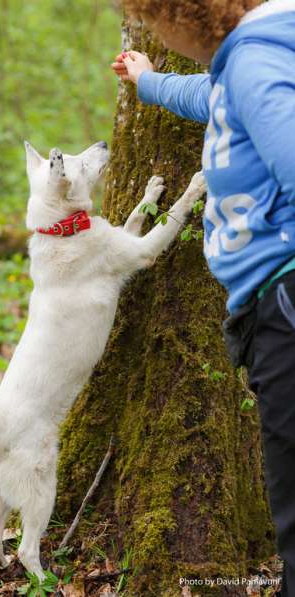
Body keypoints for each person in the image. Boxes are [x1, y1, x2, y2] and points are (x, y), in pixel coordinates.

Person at [111, 1, 295, 595]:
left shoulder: (253, 60)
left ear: (188, 16)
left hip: (285, 306)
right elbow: (210, 98)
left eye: (158, 24)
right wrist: (149, 81)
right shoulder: (241, 63)